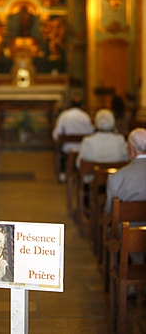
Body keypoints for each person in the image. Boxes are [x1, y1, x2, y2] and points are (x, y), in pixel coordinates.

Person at [104, 127, 146, 297]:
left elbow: (109, 211)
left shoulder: (117, 177)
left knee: (124, 230)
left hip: (129, 236)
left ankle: (131, 281)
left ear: (131, 149)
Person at [52, 97, 94, 182]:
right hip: (83, 148)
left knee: (62, 147)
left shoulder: (65, 115)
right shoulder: (85, 116)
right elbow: (91, 132)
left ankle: (62, 173)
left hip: (68, 148)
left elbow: (56, 134)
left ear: (70, 105)